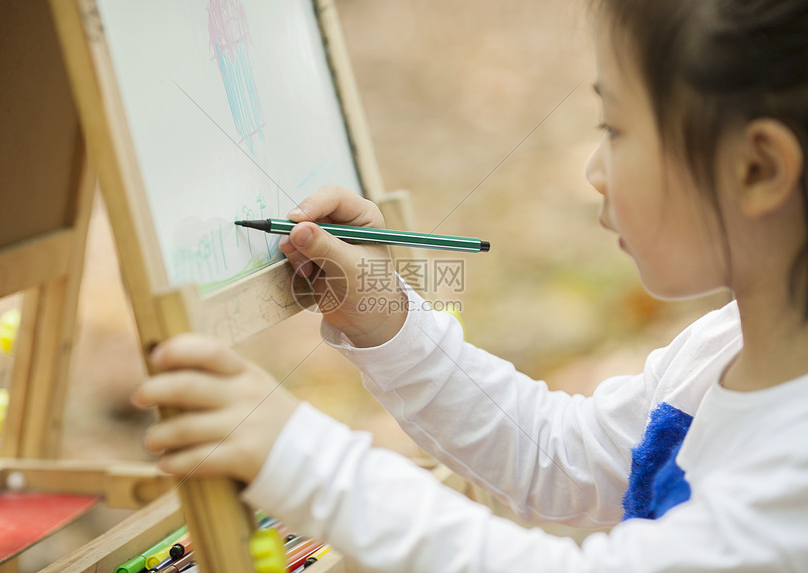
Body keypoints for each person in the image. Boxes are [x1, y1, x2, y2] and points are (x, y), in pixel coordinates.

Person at [132, 0, 808, 569]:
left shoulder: (793, 473)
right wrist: (388, 320)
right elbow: (555, 455)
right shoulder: (724, 346)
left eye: (616, 127)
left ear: (757, 168)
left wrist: (306, 461)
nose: (594, 170)